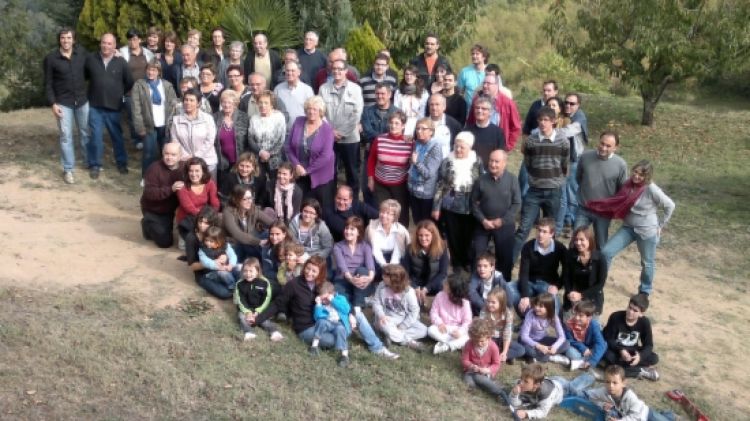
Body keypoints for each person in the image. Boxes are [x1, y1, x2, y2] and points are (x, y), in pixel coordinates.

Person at [255, 256, 399, 360]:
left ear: (321, 273)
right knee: (333, 340)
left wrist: (349, 314)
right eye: (307, 269)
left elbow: (340, 300)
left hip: (329, 321)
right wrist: (257, 318)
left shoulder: (323, 285)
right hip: (307, 328)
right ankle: (360, 337)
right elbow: (277, 304)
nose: (309, 273)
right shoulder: (293, 285)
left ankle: (378, 348)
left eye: (314, 271)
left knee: (358, 315)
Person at [593, 160, 675, 295]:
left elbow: (670, 205)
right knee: (606, 252)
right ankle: (599, 282)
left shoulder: (651, 189)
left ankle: (645, 290)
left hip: (646, 231)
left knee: (647, 262)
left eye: (641, 175)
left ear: (647, 177)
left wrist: (660, 225)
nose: (636, 176)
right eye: (635, 172)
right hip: (628, 228)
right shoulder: (628, 185)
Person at [513, 106, 570, 263]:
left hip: (554, 191)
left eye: (546, 120)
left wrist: (555, 180)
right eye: (540, 120)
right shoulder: (531, 141)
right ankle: (508, 264)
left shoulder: (562, 141)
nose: (543, 123)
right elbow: (528, 164)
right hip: (534, 191)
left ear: (554, 122)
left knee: (551, 231)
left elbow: (565, 164)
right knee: (523, 229)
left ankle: (548, 263)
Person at [84, 32, 134, 178]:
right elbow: (84, 76)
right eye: (104, 43)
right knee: (96, 137)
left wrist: (119, 93)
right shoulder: (91, 59)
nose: (106, 46)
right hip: (95, 106)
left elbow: (129, 81)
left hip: (114, 107)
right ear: (100, 43)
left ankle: (121, 163)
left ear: (114, 46)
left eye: (109, 43)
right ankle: (95, 165)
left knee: (117, 137)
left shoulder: (121, 61)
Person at [44, 27, 89, 184]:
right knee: (66, 136)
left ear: (73, 40)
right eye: (63, 38)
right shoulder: (51, 58)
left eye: (69, 38)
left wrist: (113, 54)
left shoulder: (81, 54)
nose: (66, 41)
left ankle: (87, 161)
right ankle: (68, 169)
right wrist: (53, 104)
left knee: (85, 133)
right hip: (63, 103)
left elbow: (94, 66)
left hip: (82, 101)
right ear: (59, 40)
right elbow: (48, 84)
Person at [432, 131, 483, 271]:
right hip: (451, 204)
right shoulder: (447, 161)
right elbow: (440, 184)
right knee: (453, 235)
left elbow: (482, 182)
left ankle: (467, 261)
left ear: (469, 148)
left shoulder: (477, 160)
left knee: (468, 236)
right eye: (456, 146)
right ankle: (457, 263)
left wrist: (481, 201)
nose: (458, 149)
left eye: (462, 147)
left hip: (469, 205)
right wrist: (436, 207)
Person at [470, 149, 521, 282]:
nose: (493, 164)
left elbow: (517, 203)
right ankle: (477, 284)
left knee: (505, 257)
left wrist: (503, 221)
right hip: (483, 224)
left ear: (504, 163)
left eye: (496, 162)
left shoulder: (512, 180)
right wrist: (483, 220)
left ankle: (504, 286)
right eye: (491, 161)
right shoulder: (481, 180)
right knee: (478, 255)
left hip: (504, 225)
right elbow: (473, 204)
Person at [575, 131, 628, 248]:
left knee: (601, 244)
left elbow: (622, 190)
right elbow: (579, 177)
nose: (603, 148)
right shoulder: (585, 157)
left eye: (608, 146)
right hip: (584, 208)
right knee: (576, 240)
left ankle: (599, 266)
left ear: (616, 148)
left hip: (604, 212)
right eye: (602, 143)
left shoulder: (620, 165)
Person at [319, 59, 364, 198]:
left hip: (350, 139)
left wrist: (342, 133)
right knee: (330, 172)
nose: (337, 71)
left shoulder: (355, 89)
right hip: (329, 138)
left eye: (340, 69)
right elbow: (320, 112)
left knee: (352, 172)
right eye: (334, 69)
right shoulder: (323, 88)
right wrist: (331, 132)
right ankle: (330, 200)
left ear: (346, 71)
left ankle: (353, 202)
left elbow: (357, 113)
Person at [285, 96, 336, 206]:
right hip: (299, 172)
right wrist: (297, 165)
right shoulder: (299, 121)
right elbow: (288, 146)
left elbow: (326, 156)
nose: (311, 112)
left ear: (321, 111)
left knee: (319, 208)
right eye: (309, 108)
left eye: (315, 109)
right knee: (300, 205)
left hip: (320, 175)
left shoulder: (327, 129)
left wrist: (307, 171)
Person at [132, 59, 177, 177]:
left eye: (154, 70)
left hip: (164, 124)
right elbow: (136, 108)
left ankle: (165, 176)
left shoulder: (166, 85)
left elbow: (173, 104)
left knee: (166, 153)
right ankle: (146, 177)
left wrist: (173, 123)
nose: (151, 72)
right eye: (149, 69)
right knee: (148, 153)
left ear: (159, 72)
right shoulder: (139, 85)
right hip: (149, 125)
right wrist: (140, 127)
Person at [367, 111, 413, 226]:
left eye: (397, 123)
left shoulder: (409, 143)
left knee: (401, 214)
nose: (393, 126)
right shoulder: (379, 139)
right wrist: (370, 178)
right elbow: (371, 160)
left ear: (403, 126)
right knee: (384, 213)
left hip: (400, 184)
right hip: (381, 183)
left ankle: (401, 239)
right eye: (391, 122)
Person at [602, 293, 660, 380]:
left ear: (641, 313)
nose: (630, 312)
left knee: (654, 358)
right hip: (616, 350)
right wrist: (621, 350)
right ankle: (640, 371)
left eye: (635, 310)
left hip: (632, 350)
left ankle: (618, 368)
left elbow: (648, 345)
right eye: (629, 307)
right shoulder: (616, 317)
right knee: (607, 355)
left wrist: (640, 356)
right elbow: (608, 338)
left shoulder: (644, 322)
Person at [515, 218, 567, 315]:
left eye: (544, 232)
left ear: (552, 234)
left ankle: (547, 323)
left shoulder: (559, 248)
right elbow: (523, 273)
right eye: (539, 230)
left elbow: (566, 270)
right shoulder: (528, 246)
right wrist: (524, 296)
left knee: (555, 306)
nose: (540, 234)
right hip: (530, 281)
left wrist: (557, 286)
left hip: (547, 284)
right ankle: (527, 318)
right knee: (510, 289)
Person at [371, 264, 427, 351]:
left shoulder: (408, 291)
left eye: (385, 276)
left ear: (394, 279)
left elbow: (414, 311)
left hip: (403, 318)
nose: (382, 277)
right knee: (385, 325)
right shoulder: (381, 285)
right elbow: (376, 303)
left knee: (423, 330)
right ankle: (409, 342)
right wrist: (381, 315)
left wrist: (403, 326)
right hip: (387, 318)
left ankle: (390, 336)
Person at [140, 142, 185, 248]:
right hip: (155, 209)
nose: (169, 157)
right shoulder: (154, 169)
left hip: (171, 208)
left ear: (180, 156)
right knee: (165, 242)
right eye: (166, 154)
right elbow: (149, 193)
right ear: (162, 154)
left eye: (173, 155)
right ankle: (147, 224)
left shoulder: (185, 168)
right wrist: (171, 189)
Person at [360, 83, 398, 208]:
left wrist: (379, 139)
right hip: (370, 155)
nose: (379, 96)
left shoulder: (397, 113)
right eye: (377, 94)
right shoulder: (367, 111)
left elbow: (397, 135)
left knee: (387, 192)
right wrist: (387, 138)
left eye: (383, 93)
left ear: (389, 95)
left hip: (390, 159)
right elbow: (366, 133)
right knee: (367, 188)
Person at [466, 73, 521, 153]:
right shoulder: (477, 100)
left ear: (496, 85)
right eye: (484, 83)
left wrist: (508, 146)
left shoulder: (507, 103)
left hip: (497, 143)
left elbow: (516, 127)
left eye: (488, 83)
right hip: (477, 142)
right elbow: (470, 121)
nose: (485, 86)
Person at [120, 28, 155, 149]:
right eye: (130, 39)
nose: (132, 42)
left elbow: (153, 70)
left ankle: (148, 138)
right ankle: (136, 139)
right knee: (133, 116)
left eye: (135, 39)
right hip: (129, 92)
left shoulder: (148, 54)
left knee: (147, 115)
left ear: (140, 40)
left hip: (146, 90)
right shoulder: (122, 53)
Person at [185, 207, 231, 298]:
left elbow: (226, 248)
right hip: (203, 273)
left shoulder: (216, 233)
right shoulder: (191, 238)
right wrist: (211, 263)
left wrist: (225, 257)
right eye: (200, 221)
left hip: (221, 268)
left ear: (213, 223)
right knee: (225, 293)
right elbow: (192, 266)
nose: (202, 225)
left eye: (206, 223)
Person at [234, 257, 283, 341]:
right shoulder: (239, 284)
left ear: (257, 271)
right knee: (242, 318)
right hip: (246, 309)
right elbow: (240, 300)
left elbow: (266, 299)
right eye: (245, 271)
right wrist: (247, 312)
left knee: (264, 320)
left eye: (251, 271)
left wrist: (258, 311)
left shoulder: (264, 282)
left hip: (260, 309)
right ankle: (249, 332)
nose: (248, 274)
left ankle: (274, 331)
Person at [171, 89, 218, 177]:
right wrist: (186, 157)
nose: (188, 102)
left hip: (207, 161)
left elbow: (210, 140)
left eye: (192, 100)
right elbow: (175, 140)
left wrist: (195, 156)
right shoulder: (176, 120)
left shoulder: (208, 119)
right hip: (185, 161)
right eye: (186, 100)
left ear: (198, 103)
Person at [332, 216, 376, 311]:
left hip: (360, 278)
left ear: (359, 232)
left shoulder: (365, 246)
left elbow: (370, 266)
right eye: (346, 228)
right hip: (344, 278)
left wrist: (369, 278)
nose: (348, 231)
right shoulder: (338, 246)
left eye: (352, 229)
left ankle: (357, 305)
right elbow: (342, 267)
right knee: (339, 297)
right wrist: (351, 279)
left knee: (362, 270)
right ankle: (352, 308)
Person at [223, 184, 276, 261]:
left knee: (270, 233)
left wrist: (282, 233)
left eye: (250, 198)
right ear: (236, 200)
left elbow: (272, 223)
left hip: (250, 243)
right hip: (235, 245)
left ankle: (268, 260)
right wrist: (259, 242)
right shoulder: (228, 212)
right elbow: (238, 235)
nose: (249, 201)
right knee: (247, 243)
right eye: (245, 199)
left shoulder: (253, 209)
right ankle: (262, 260)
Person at [402, 220, 449, 305]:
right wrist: (414, 286)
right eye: (420, 235)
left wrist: (427, 288)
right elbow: (405, 272)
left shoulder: (442, 247)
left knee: (444, 287)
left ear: (433, 235)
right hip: (416, 281)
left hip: (434, 282)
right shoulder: (410, 248)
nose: (423, 238)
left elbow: (443, 273)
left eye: (427, 235)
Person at [562, 226, 607, 315]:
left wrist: (582, 295)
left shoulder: (600, 258)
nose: (578, 243)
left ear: (589, 240)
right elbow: (566, 277)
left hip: (592, 297)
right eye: (576, 239)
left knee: (592, 326)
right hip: (573, 295)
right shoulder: (570, 255)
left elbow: (600, 284)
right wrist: (570, 292)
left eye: (582, 240)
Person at [310, 281, 354, 367]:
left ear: (332, 294)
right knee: (321, 321)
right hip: (327, 323)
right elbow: (317, 317)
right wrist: (318, 305)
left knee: (341, 330)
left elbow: (346, 309)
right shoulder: (321, 304)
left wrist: (333, 301)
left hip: (338, 324)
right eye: (322, 299)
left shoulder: (340, 299)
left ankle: (344, 355)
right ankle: (314, 346)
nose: (324, 301)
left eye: (325, 298)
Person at [408, 118, 444, 223]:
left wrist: (416, 163)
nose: (419, 131)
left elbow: (428, 174)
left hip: (426, 194)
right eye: (417, 128)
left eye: (423, 129)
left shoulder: (435, 146)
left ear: (431, 131)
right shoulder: (417, 143)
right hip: (413, 190)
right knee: (417, 222)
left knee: (427, 225)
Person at [461, 318, 506, 400]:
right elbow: (464, 360)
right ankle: (485, 386)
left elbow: (496, 364)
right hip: (471, 371)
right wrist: (472, 366)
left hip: (485, 372)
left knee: (479, 378)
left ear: (488, 337)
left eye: (482, 341)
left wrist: (487, 370)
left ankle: (499, 392)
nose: (479, 343)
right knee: (468, 381)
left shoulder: (493, 347)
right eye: (476, 341)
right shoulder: (469, 344)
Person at [518, 293, 570, 363]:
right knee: (526, 349)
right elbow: (524, 337)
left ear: (549, 308)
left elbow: (562, 336)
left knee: (566, 344)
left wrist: (554, 347)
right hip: (527, 341)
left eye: (541, 306)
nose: (536, 308)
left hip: (542, 339)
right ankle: (548, 357)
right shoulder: (530, 315)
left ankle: (541, 356)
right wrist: (538, 346)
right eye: (536, 304)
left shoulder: (553, 317)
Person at [176, 157, 220, 240]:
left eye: (197, 171)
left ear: (203, 172)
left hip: (205, 216)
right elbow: (189, 208)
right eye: (191, 171)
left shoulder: (210, 183)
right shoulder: (182, 187)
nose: (193, 174)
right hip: (188, 218)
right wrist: (204, 219)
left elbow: (215, 203)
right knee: (195, 240)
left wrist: (211, 216)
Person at [366, 199, 411, 279]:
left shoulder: (401, 230)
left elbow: (398, 252)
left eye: (388, 214)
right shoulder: (371, 228)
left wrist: (392, 266)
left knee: (399, 272)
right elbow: (375, 250)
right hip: (377, 258)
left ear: (395, 217)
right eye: (382, 212)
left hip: (395, 258)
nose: (384, 216)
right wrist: (384, 265)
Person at [479, 287, 525, 363]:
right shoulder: (484, 310)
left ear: (501, 303)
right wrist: (488, 343)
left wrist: (505, 352)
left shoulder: (508, 314)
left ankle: (500, 356)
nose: (489, 304)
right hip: (489, 338)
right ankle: (498, 357)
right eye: (488, 301)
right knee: (481, 347)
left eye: (493, 302)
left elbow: (507, 334)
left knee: (521, 350)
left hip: (502, 339)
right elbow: (483, 330)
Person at [428, 274, 472, 354]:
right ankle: (455, 344)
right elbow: (433, 312)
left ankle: (447, 346)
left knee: (468, 337)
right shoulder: (440, 296)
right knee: (431, 330)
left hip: (457, 329)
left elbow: (467, 322)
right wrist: (439, 323)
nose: (443, 283)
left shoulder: (465, 303)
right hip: (443, 328)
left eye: (446, 283)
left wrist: (460, 332)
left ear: (452, 288)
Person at [248, 90, 286, 181]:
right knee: (258, 183)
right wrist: (261, 152)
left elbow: (281, 139)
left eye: (266, 103)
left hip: (275, 158)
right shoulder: (254, 118)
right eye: (260, 102)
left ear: (272, 104)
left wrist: (269, 153)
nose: (263, 105)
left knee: (275, 183)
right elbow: (250, 138)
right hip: (257, 157)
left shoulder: (279, 117)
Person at [214, 89, 250, 186]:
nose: (226, 105)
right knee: (224, 186)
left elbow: (248, 140)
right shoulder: (215, 117)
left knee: (239, 187)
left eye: (229, 102)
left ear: (235, 103)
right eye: (223, 102)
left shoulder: (244, 117)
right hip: (221, 160)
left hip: (240, 160)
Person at [563, 300, 607, 371]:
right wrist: (583, 348)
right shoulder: (570, 324)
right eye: (576, 314)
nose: (577, 318)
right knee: (570, 351)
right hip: (578, 348)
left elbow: (600, 343)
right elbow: (568, 339)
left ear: (589, 317)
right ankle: (585, 361)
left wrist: (592, 361)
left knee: (603, 345)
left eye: (581, 316)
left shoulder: (594, 325)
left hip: (591, 349)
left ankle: (584, 362)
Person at [466, 96, 506, 169]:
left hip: (490, 172)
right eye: (477, 108)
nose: (479, 111)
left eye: (484, 109)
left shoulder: (498, 133)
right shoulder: (466, 131)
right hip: (469, 170)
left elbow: (500, 156)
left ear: (490, 112)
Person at [198, 226, 241, 292]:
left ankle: (241, 282)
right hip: (213, 272)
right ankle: (233, 287)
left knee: (240, 267)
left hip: (227, 267)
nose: (208, 243)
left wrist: (231, 265)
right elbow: (205, 262)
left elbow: (232, 255)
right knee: (224, 273)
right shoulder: (203, 250)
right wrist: (217, 266)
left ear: (219, 241)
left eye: (211, 241)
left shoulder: (225, 246)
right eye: (206, 240)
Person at [273, 59, 314, 125]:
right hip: (283, 129)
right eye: (287, 70)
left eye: (293, 71)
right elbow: (273, 109)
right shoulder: (278, 89)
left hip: (301, 129)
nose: (289, 73)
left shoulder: (307, 90)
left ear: (299, 72)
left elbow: (312, 110)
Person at [393, 65, 428, 136]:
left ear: (416, 76)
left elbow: (423, 110)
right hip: (402, 122)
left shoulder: (423, 92)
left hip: (417, 122)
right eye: (407, 74)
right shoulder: (398, 92)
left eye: (411, 74)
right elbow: (396, 109)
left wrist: (418, 124)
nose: (409, 77)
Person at [427, 93, 462, 158]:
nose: (434, 108)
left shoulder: (454, 125)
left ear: (444, 106)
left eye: (437, 104)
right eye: (431, 104)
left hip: (446, 164)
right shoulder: (422, 124)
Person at [457, 44, 489, 111]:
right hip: (469, 112)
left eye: (477, 54)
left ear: (484, 57)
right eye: (473, 54)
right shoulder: (464, 72)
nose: (474, 56)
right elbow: (459, 92)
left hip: (487, 111)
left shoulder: (491, 71)